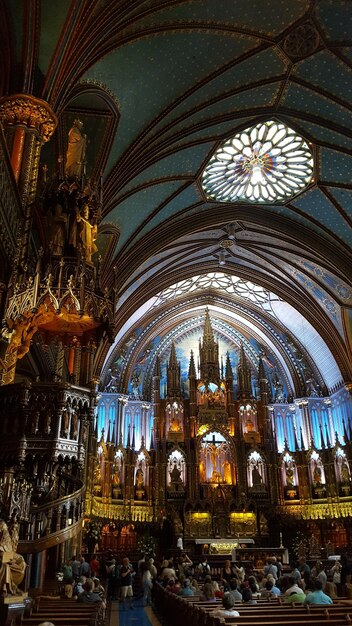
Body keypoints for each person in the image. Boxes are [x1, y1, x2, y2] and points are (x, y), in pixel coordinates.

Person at [0, 519, 26, 595]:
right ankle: (5, 588)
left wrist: (17, 558)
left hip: (6, 558)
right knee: (6, 567)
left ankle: (13, 586)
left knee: (21, 563)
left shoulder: (6, 536)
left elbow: (9, 550)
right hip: (2, 561)